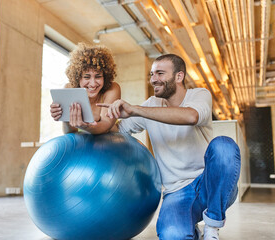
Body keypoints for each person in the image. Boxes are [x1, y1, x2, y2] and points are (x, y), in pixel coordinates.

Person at [98, 54, 241, 240]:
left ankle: (212, 226)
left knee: (224, 146)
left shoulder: (199, 95)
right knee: (174, 236)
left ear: (179, 76)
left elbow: (191, 117)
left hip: (209, 185)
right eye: (151, 74)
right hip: (176, 193)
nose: (153, 80)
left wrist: (135, 109)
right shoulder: (150, 105)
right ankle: (190, 228)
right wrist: (89, 117)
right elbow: (118, 130)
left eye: (160, 73)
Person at [50, 42, 120, 134]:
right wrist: (65, 117)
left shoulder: (112, 88)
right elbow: (70, 133)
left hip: (110, 140)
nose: (93, 84)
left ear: (105, 76)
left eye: (98, 76)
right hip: (83, 143)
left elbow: (106, 125)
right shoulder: (69, 89)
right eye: (87, 77)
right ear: (78, 77)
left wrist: (86, 126)